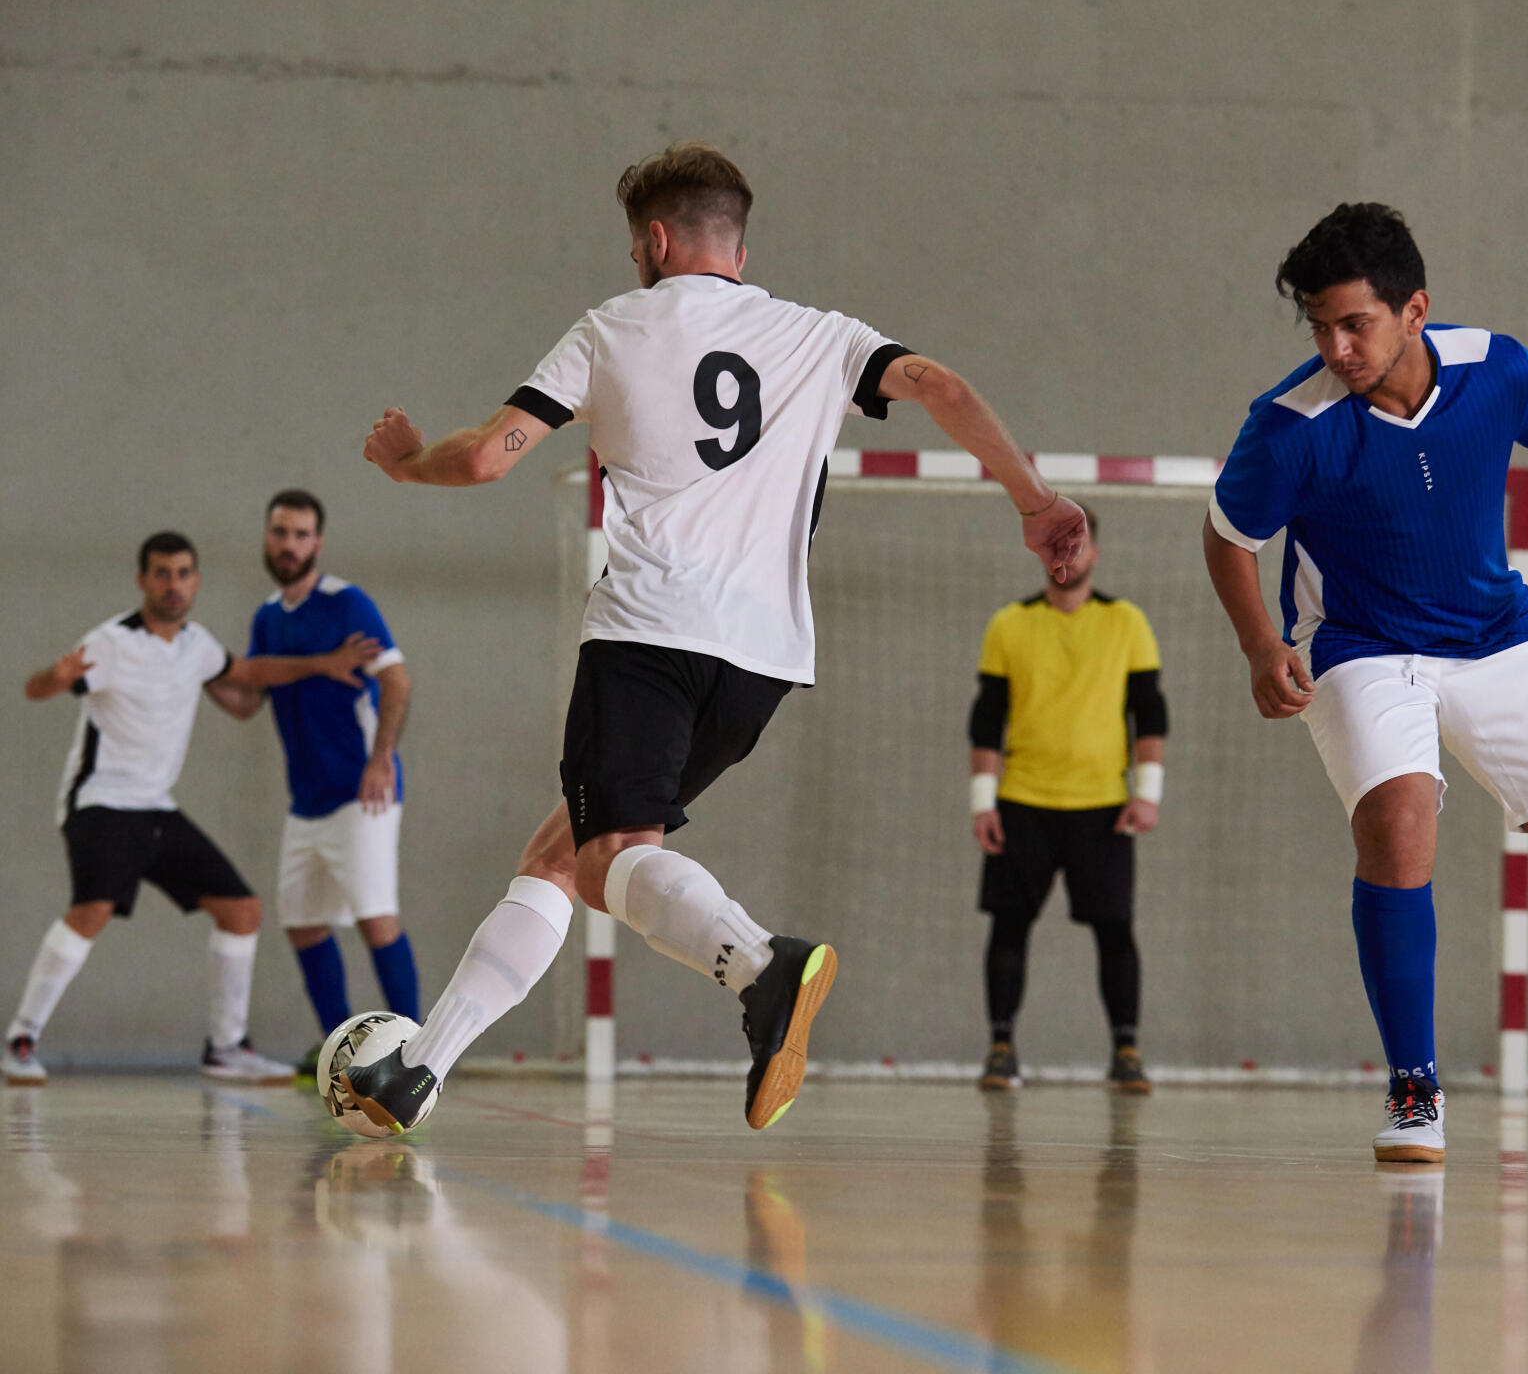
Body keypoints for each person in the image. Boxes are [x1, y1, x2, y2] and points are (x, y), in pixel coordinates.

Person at [342, 141, 1086, 1135]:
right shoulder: (822, 336)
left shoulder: (611, 328)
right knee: (562, 855)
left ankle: (758, 964)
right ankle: (418, 1073)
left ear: (651, 240)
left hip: (648, 635)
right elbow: (943, 385)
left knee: (609, 859)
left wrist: (403, 465)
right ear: (736, 241)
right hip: (764, 665)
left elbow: (483, 459)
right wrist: (1033, 503)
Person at [1202, 203, 1528, 1162]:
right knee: (1398, 824)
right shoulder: (1289, 428)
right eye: (1320, 327)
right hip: (1361, 644)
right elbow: (1228, 539)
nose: (1336, 347)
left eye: (1357, 324)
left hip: (1496, 632)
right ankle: (1414, 1087)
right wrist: (1264, 647)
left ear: (1414, 309)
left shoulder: (1497, 367)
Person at [2, 531, 380, 1086]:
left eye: (183, 573)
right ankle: (21, 1039)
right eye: (161, 573)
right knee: (94, 908)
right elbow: (38, 687)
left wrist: (325, 663)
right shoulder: (112, 642)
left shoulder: (196, 645)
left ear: (195, 581)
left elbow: (249, 674)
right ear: (142, 580)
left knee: (241, 910)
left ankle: (226, 1048)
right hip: (102, 801)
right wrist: (53, 679)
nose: (173, 584)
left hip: (156, 808)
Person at [212, 490, 418, 1077]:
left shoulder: (348, 604)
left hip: (363, 793)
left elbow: (398, 681)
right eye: (280, 532)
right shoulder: (267, 617)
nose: (289, 544)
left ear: (318, 543)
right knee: (302, 924)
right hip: (306, 800)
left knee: (376, 917)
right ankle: (341, 1053)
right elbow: (247, 697)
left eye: (301, 535)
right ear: (267, 537)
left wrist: (382, 760)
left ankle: (420, 1054)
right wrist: (202, 671)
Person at [967, 506, 1168, 1093]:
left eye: (1078, 546)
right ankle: (1001, 1047)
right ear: (1042, 553)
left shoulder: (1127, 622)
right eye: (1058, 546)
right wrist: (984, 802)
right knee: (1008, 928)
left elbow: (1150, 714)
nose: (1068, 556)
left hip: (1103, 805)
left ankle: (1125, 1051)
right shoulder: (1008, 624)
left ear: (1095, 554)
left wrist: (1147, 794)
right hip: (1021, 803)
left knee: (1116, 931)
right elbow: (987, 722)